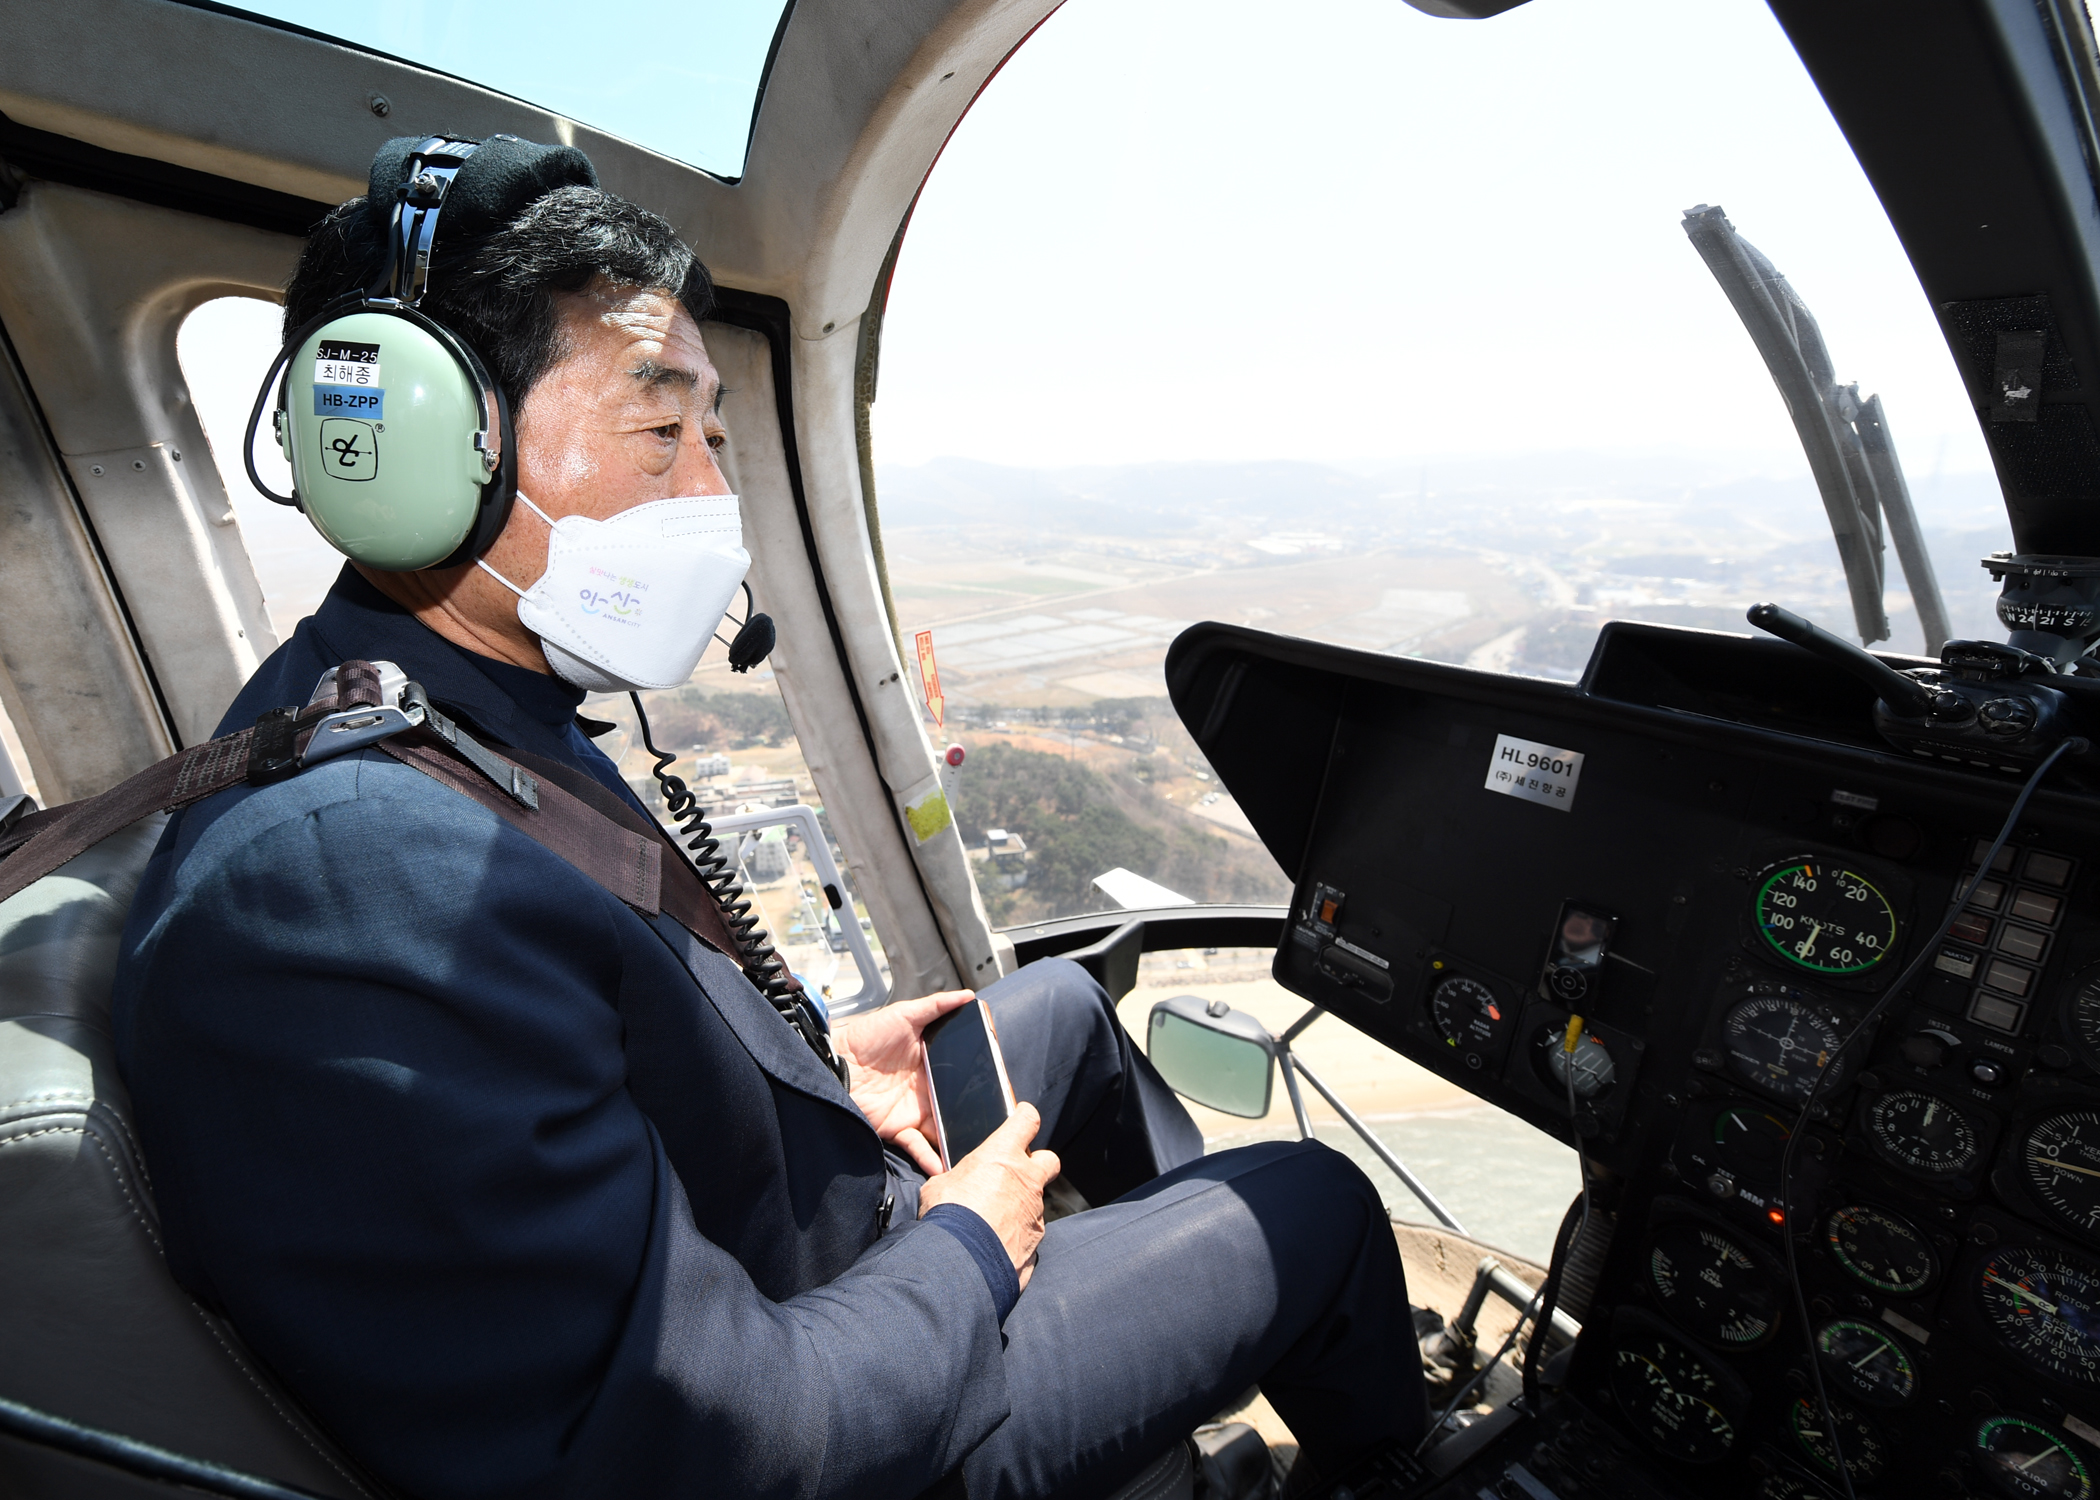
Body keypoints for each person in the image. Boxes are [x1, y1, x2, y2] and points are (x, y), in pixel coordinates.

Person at [111, 137, 1424, 1500]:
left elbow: (594, 1026)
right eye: (662, 432)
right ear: (424, 451)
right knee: (1308, 1209)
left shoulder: (444, 711)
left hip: (773, 1244)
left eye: (717, 440)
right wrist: (972, 1249)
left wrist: (803, 1070)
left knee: (1071, 1019)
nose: (715, 502)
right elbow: (709, 1449)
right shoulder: (361, 885)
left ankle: (1157, 1392)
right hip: (836, 1419)